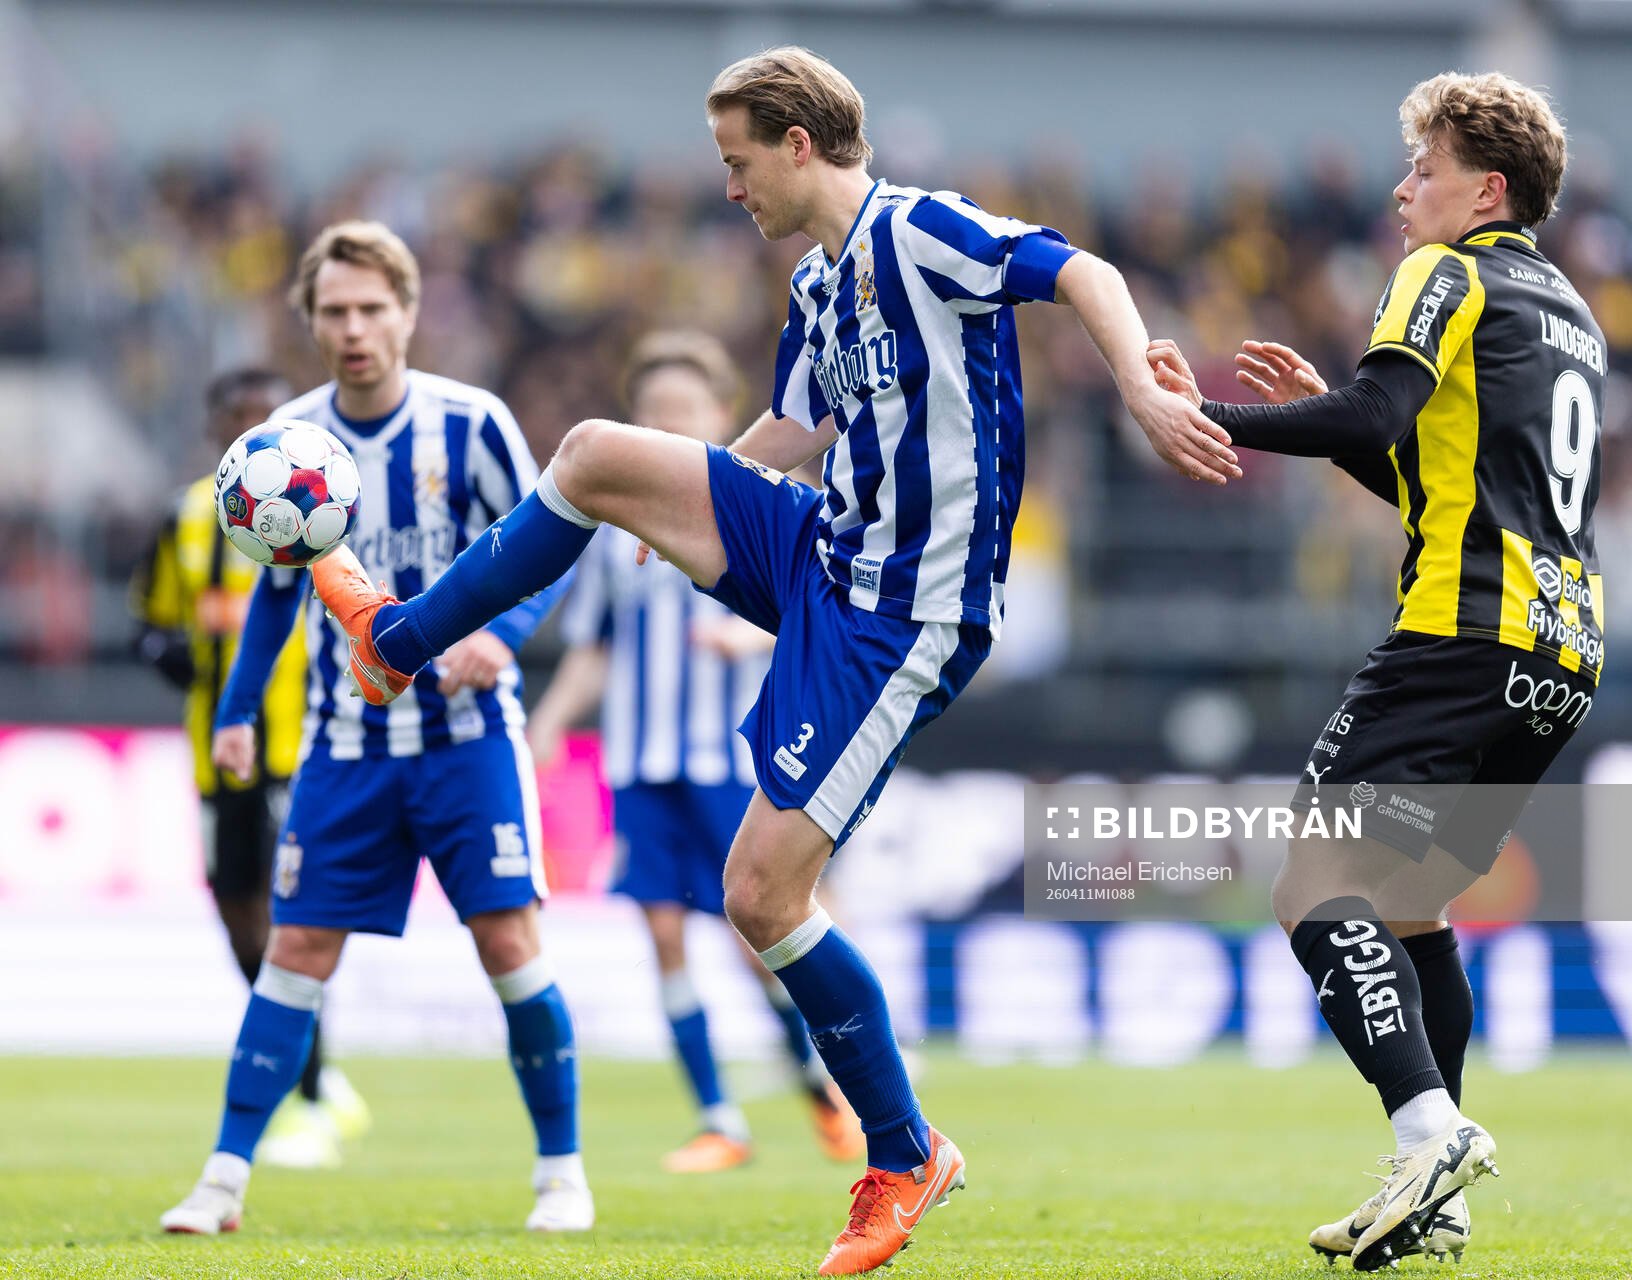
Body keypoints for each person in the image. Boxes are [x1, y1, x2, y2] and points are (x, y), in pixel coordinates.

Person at [312, 48, 1235, 1274]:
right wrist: (674, 503)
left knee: (760, 895)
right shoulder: (816, 285)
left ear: (799, 143)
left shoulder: (923, 232)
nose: (731, 187)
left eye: (738, 161)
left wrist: (1141, 388)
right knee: (593, 454)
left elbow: (1084, 270)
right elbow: (789, 435)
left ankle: (905, 1152)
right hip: (819, 548)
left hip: (905, 612)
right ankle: (398, 642)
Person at [1149, 72, 1600, 1269]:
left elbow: (1376, 414)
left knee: (1308, 886)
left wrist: (1206, 413)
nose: (1405, 191)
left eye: (1424, 168)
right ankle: (1436, 1191)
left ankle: (1431, 1129)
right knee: (1410, 910)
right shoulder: (1568, 308)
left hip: (1460, 635)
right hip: (1559, 653)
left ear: (1485, 187)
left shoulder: (1447, 269)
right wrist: (1342, 416)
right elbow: (1437, 475)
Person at [159, 221, 588, 1236]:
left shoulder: (472, 423)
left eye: (370, 308)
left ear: (406, 311)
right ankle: (221, 1177)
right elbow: (275, 590)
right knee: (295, 945)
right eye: (334, 312)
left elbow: (552, 546)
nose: (353, 328)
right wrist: (233, 709)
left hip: (467, 734)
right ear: (309, 321)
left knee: (509, 940)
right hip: (342, 745)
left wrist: (506, 635)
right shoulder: (286, 442)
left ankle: (562, 1171)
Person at [527, 330, 861, 1173]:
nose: (668, 423)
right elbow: (595, 647)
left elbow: (833, 618)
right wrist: (549, 723)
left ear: (721, 416)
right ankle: (720, 1119)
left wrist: (747, 646)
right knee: (664, 937)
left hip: (731, 760)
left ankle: (827, 1095)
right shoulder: (612, 523)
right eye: (654, 412)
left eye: (684, 410)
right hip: (640, 763)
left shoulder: (771, 505)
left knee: (761, 947)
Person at [130, 368, 369, 1170]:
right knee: (236, 914)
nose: (252, 428)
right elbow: (152, 618)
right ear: (216, 430)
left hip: (299, 749)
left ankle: (312, 1091)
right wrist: (160, 650)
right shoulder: (188, 517)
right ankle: (312, 1073)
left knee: (289, 918)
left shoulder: (330, 505)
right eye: (236, 418)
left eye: (264, 416)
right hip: (217, 753)